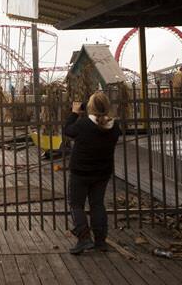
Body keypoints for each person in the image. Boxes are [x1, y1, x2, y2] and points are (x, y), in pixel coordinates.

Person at [64, 91, 122, 254]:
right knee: (97, 204)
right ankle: (100, 241)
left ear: (90, 106)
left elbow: (68, 131)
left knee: (76, 204)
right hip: (102, 172)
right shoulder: (114, 127)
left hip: (80, 172)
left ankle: (84, 239)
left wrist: (74, 114)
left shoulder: (83, 124)